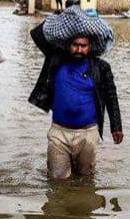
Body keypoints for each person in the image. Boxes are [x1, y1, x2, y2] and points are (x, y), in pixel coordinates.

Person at [29, 21, 123, 180]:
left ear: (90, 47)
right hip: (59, 133)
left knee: (86, 180)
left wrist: (116, 127)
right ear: (68, 45)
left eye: (83, 46)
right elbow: (36, 34)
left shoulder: (101, 67)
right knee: (57, 181)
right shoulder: (56, 60)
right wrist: (62, 17)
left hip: (88, 134)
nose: (79, 49)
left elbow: (111, 97)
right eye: (75, 45)